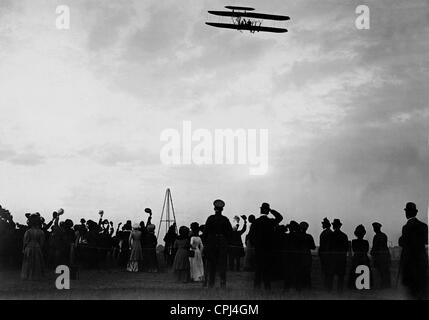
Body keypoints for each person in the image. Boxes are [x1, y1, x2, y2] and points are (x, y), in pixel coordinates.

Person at [249, 202, 283, 290]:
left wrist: (255, 244)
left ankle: (256, 289)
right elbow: (280, 217)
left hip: (258, 249)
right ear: (267, 211)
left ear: (260, 210)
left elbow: (250, 236)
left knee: (258, 271)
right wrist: (271, 210)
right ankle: (267, 289)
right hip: (269, 249)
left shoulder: (256, 222)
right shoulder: (271, 222)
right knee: (267, 271)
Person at [398, 202, 428, 299]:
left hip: (410, 263)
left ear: (407, 213)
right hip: (422, 262)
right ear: (415, 212)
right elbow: (426, 241)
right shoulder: (424, 226)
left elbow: (402, 242)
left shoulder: (406, 227)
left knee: (412, 292)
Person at [203, 199, 233, 288]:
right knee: (222, 265)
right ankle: (222, 284)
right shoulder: (225, 219)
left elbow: (205, 232)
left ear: (214, 209)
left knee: (211, 265)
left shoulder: (210, 218)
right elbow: (230, 233)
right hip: (222, 243)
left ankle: (211, 284)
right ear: (222, 209)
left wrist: (206, 244)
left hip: (211, 243)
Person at [21, 214, 45, 280]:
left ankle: (27, 275)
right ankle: (35, 275)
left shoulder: (28, 232)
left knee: (28, 263)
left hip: (28, 248)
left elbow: (25, 241)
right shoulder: (41, 232)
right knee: (36, 263)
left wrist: (23, 249)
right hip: (37, 247)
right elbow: (42, 243)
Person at [328, 219, 349, 292]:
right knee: (341, 276)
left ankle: (329, 291)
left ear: (334, 226)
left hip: (332, 258)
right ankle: (339, 291)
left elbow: (329, 247)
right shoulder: (344, 235)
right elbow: (346, 248)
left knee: (331, 276)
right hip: (341, 258)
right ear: (340, 226)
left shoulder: (331, 235)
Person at [348, 224, 371, 289]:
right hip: (364, 258)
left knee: (355, 272)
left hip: (357, 258)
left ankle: (355, 285)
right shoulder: (366, 242)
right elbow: (366, 250)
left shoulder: (354, 241)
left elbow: (354, 249)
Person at [370, 222, 391, 289]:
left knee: (381, 272)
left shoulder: (376, 236)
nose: (374, 229)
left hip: (379, 256)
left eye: (374, 228)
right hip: (385, 255)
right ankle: (386, 285)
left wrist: (372, 252)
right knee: (385, 271)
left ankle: (383, 286)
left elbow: (375, 247)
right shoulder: (384, 235)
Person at [300, 221, 316, 289]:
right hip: (307, 256)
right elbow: (313, 247)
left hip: (299, 257)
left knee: (300, 272)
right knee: (307, 273)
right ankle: (308, 286)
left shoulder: (297, 236)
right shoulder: (309, 236)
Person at [319, 217, 333, 290]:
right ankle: (327, 286)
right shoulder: (329, 232)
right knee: (327, 272)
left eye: (323, 224)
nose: (322, 225)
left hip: (326, 255)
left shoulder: (326, 233)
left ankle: (327, 287)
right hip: (327, 254)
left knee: (326, 271)